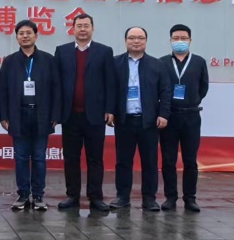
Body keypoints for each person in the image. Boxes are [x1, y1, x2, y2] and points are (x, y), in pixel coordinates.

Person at [54, 13, 116, 212]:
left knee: (95, 158)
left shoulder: (104, 51)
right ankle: (72, 196)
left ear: (92, 28)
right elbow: (56, 84)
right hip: (70, 114)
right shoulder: (62, 51)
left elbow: (110, 82)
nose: (82, 29)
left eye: (86, 26)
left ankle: (95, 197)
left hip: (95, 115)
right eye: (79, 26)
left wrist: (110, 109)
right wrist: (56, 113)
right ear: (73, 29)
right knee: (71, 158)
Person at [0, 20, 61, 211]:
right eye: (21, 33)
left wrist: (55, 114)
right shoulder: (9, 61)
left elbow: (56, 89)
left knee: (40, 157)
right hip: (18, 115)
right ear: (17, 37)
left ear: (36, 36)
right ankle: (23, 194)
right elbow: (3, 91)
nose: (25, 36)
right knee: (21, 157)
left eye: (28, 33)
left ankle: (39, 195)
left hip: (42, 115)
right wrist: (4, 116)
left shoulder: (48, 60)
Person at [111, 27, 171, 211]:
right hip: (124, 120)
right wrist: (109, 111)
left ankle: (149, 199)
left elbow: (165, 91)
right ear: (125, 41)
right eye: (132, 38)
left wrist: (163, 114)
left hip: (149, 121)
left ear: (146, 41)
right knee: (123, 162)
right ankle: (122, 197)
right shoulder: (115, 63)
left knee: (150, 162)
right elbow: (109, 89)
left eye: (140, 38)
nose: (136, 41)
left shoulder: (157, 64)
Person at [160, 24, 209, 213]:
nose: (179, 41)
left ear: (190, 40)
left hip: (191, 116)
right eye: (176, 38)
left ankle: (190, 198)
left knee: (190, 160)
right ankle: (170, 197)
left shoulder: (199, 62)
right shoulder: (162, 62)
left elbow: (203, 87)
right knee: (168, 160)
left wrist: (192, 100)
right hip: (169, 116)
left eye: (183, 38)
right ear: (170, 40)